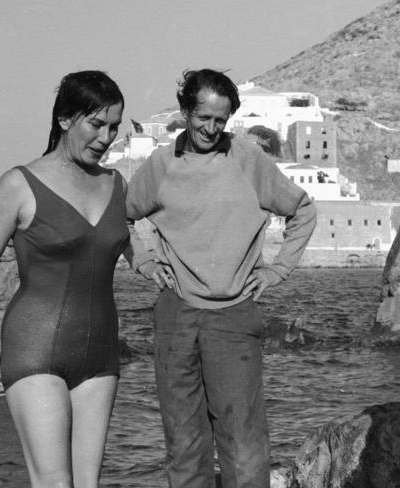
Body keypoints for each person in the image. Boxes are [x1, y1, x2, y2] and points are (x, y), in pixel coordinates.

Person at [125, 69, 317, 488]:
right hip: (175, 317)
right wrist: (144, 261)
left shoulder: (247, 158)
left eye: (220, 120)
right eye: (203, 118)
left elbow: (303, 210)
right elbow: (121, 217)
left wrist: (278, 269)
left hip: (233, 316)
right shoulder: (160, 164)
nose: (212, 129)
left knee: (244, 445)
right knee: (184, 443)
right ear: (184, 112)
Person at [0, 70, 138, 488]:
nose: (106, 137)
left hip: (100, 356)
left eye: (113, 127)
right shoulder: (18, 183)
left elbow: (136, 250)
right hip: (35, 348)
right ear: (64, 119)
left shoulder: (117, 184)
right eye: (96, 124)